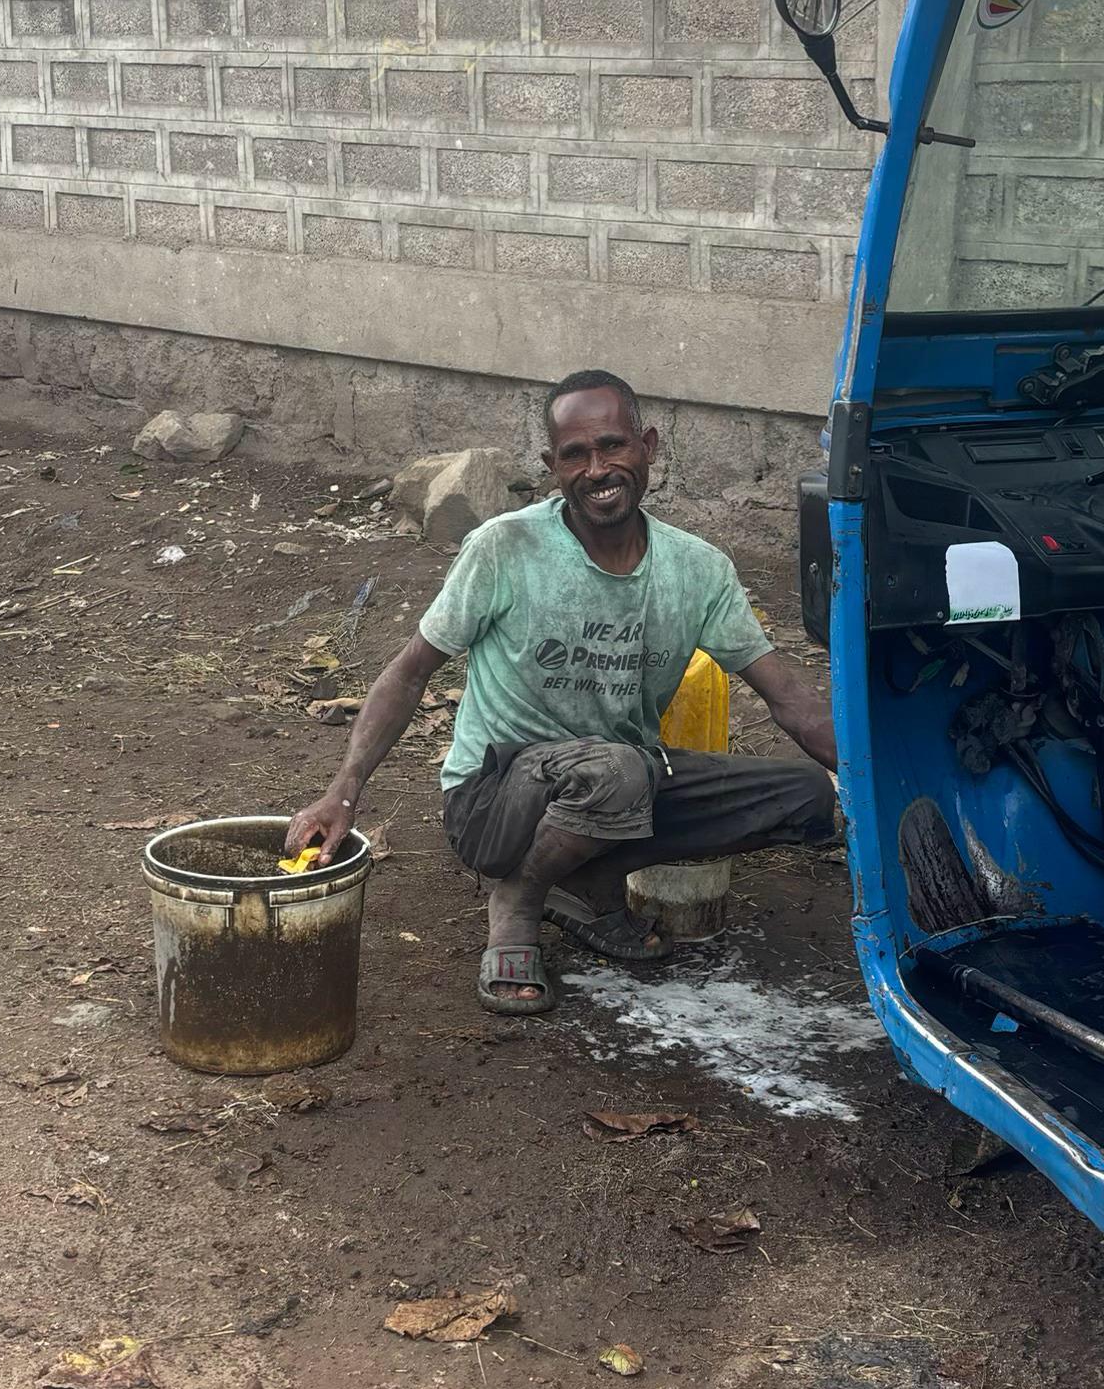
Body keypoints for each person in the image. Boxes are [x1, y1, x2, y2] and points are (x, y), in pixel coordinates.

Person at [284, 369, 840, 1015]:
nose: (598, 468)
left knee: (805, 797)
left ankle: (582, 887)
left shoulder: (699, 570)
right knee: (622, 771)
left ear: (649, 446)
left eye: (613, 446)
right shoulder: (505, 549)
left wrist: (877, 784)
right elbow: (410, 671)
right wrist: (342, 790)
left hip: (618, 786)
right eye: (575, 454)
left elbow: (791, 702)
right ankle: (517, 900)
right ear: (552, 467)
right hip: (493, 802)